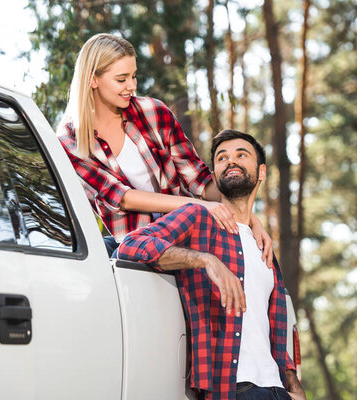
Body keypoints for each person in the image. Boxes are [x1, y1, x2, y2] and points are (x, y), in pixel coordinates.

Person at [118, 130, 306, 400]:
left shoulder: (262, 244)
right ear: (215, 175)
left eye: (241, 154)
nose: (231, 161)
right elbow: (131, 246)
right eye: (222, 158)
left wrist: (293, 382)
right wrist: (205, 259)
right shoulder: (197, 217)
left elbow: (268, 323)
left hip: (277, 390)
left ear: (261, 172)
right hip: (232, 389)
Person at [56, 33, 272, 260]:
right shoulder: (70, 142)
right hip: (137, 245)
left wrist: (249, 219)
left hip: (187, 232)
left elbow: (199, 180)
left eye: (134, 76)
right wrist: (195, 207)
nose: (131, 86)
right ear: (93, 80)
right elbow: (122, 198)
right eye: (121, 79)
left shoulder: (153, 112)